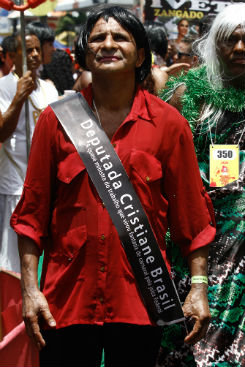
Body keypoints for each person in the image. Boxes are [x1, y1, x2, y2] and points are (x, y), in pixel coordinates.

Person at [11, 6, 215, 367]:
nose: (108, 44)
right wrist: (30, 291)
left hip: (141, 299)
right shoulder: (56, 121)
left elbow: (193, 219)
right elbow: (31, 215)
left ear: (140, 54)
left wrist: (198, 288)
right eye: (98, 38)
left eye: (120, 37)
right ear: (84, 53)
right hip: (65, 300)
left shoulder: (169, 125)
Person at [159, 2, 245, 366]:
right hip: (201, 242)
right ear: (215, 44)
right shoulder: (187, 95)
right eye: (231, 40)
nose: (239, 49)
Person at [0, 31, 58, 273]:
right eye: (28, 49)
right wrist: (18, 97)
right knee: (13, 262)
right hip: (15, 184)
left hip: (44, 184)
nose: (34, 54)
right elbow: (1, 133)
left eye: (37, 49)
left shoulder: (48, 88)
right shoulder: (3, 86)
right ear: (13, 55)